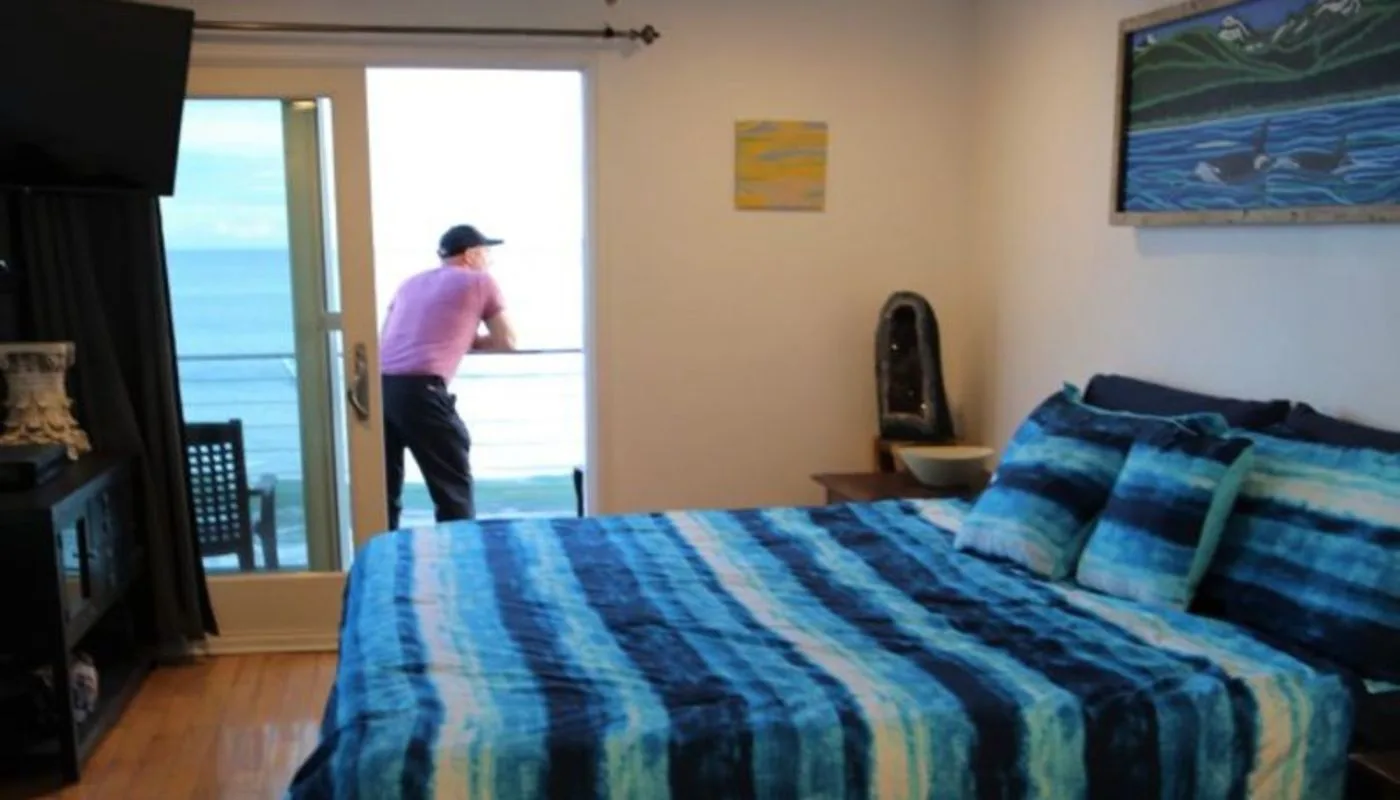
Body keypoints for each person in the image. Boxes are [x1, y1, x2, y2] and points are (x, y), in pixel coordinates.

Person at [378, 224, 516, 529]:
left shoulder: (409, 283)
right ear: (470, 255)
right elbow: (507, 341)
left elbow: (384, 338)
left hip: (379, 388)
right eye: (487, 253)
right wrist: (470, 340)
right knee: (453, 489)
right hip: (420, 391)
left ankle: (384, 552)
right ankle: (459, 553)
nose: (490, 261)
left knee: (384, 492)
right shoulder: (480, 281)